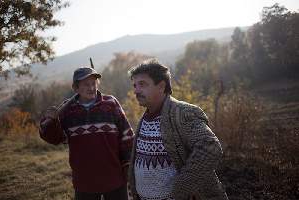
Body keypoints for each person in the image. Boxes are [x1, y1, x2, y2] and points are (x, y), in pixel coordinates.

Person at [127, 59, 229, 200]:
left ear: (161, 86)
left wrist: (180, 191)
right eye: (135, 85)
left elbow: (210, 147)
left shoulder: (183, 113)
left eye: (142, 84)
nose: (136, 91)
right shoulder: (145, 117)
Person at [39, 67, 134, 200]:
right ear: (76, 88)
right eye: (86, 85)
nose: (91, 88)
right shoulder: (68, 111)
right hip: (84, 182)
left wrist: (128, 166)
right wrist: (51, 122)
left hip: (115, 178)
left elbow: (127, 135)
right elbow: (55, 138)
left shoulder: (110, 104)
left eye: (93, 83)